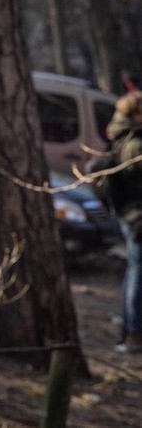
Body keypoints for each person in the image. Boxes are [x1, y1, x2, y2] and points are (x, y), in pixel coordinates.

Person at [106, 91, 142, 353]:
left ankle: (131, 330)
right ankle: (133, 332)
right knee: (138, 274)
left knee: (135, 272)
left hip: (130, 216)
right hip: (137, 218)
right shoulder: (134, 143)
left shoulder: (122, 136)